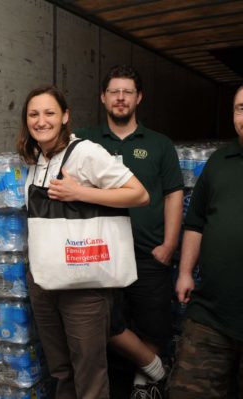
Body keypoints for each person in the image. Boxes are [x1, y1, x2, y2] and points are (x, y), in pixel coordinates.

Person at [18, 85, 149, 399]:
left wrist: (81, 193)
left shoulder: (86, 152)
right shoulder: (36, 156)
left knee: (89, 375)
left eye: (49, 112)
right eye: (33, 114)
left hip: (83, 284)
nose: (41, 121)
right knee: (61, 371)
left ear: (65, 116)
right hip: (44, 281)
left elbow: (139, 194)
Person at [76, 65, 184, 398]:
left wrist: (169, 244)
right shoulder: (86, 141)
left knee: (153, 324)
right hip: (101, 253)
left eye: (127, 92)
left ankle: (143, 383)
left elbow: (173, 195)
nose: (120, 98)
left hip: (148, 251)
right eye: (114, 92)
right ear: (103, 98)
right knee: (103, 323)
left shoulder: (159, 144)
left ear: (138, 98)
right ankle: (154, 368)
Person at [169, 85, 243, 399]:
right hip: (212, 312)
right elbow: (196, 222)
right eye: (240, 108)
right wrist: (185, 272)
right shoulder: (219, 161)